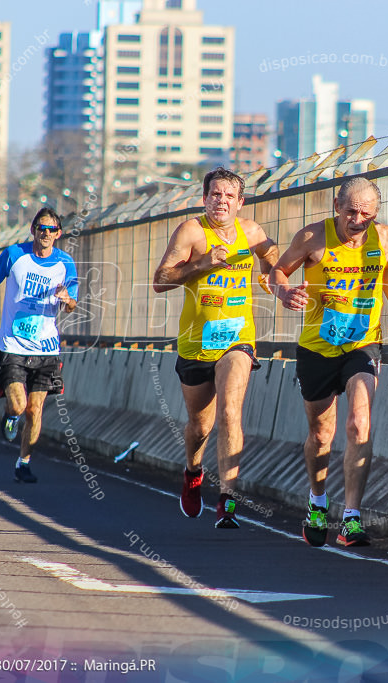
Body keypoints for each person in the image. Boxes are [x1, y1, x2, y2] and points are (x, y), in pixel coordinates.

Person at [269, 177, 388, 547]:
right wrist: (284, 291)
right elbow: (277, 271)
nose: (358, 220)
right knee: (320, 435)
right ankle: (317, 503)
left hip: (363, 345)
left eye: (366, 214)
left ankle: (351, 519)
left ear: (376, 214)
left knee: (359, 423)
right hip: (317, 348)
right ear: (336, 206)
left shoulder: (387, 238)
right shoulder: (312, 237)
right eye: (351, 212)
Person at [152, 167, 278, 529]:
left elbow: (275, 261)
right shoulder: (192, 231)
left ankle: (227, 500)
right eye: (214, 194)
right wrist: (202, 263)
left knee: (230, 412)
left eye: (228, 195)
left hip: (237, 339)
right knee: (199, 425)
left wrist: (272, 276)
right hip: (196, 342)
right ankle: (193, 471)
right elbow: (160, 280)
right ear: (204, 198)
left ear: (240, 202)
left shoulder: (251, 232)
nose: (220, 200)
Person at [0, 208, 78, 483]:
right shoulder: (14, 254)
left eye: (51, 229)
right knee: (19, 405)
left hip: (46, 349)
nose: (45, 233)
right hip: (13, 345)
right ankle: (10, 415)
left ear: (58, 234)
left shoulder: (66, 264)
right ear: (32, 230)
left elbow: (72, 306)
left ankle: (23, 462)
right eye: (41, 228)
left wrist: (66, 299)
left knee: (35, 409)